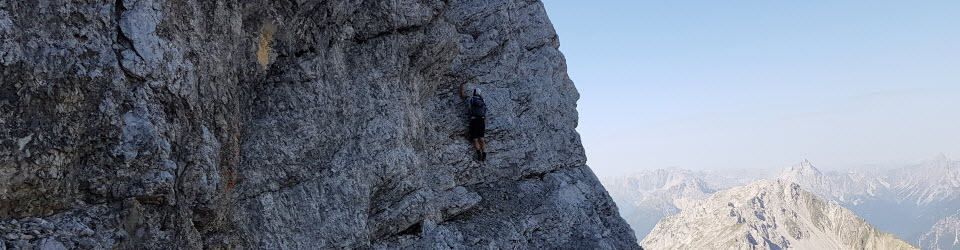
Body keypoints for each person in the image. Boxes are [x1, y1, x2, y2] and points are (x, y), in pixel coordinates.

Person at [460, 83, 487, 161]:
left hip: (474, 120)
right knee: (482, 138)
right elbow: (482, 97)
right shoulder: (483, 100)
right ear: (479, 94)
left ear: (473, 93)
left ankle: (479, 153)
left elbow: (462, 95)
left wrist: (462, 88)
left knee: (475, 139)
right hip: (482, 120)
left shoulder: (471, 99)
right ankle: (484, 154)